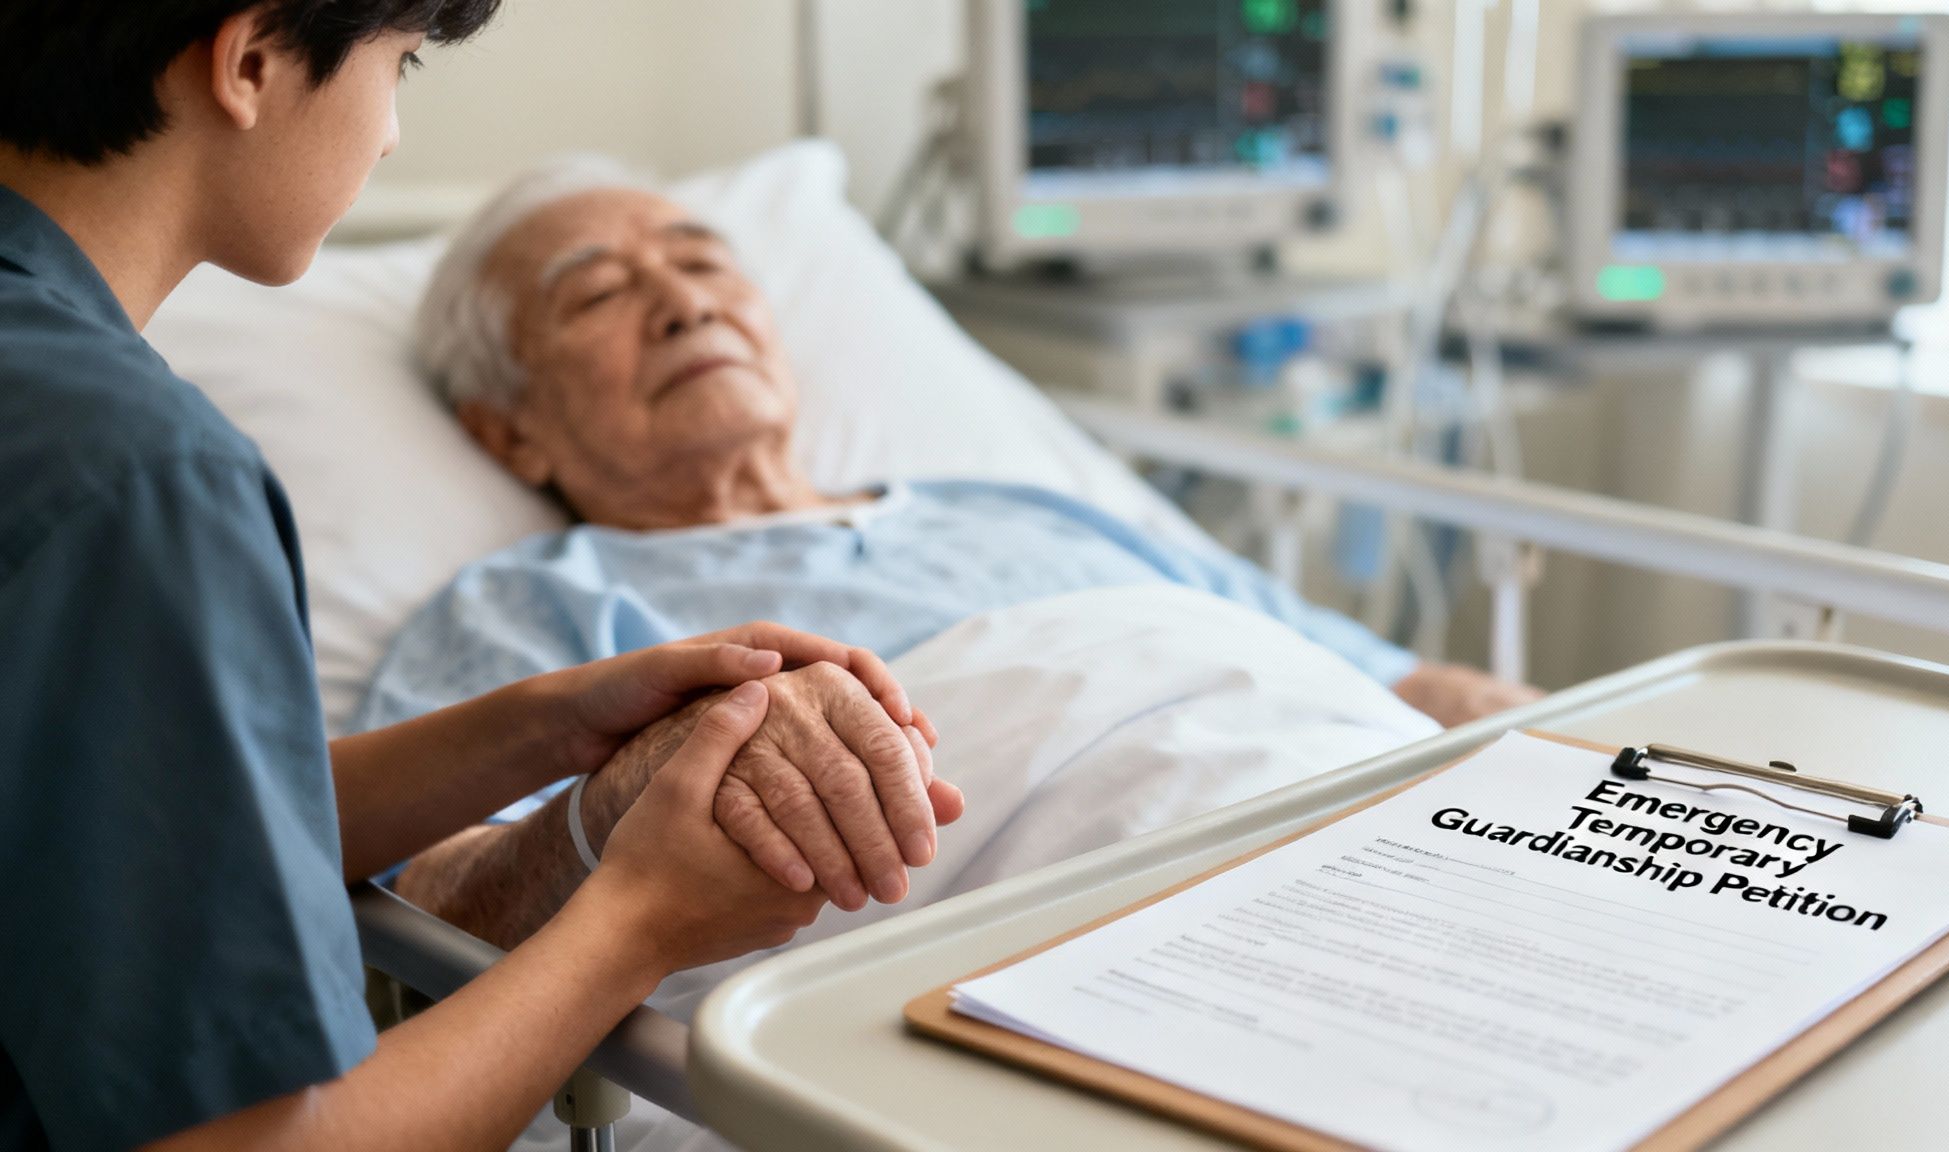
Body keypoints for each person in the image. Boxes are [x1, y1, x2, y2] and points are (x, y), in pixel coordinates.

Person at [0, 7, 958, 1150]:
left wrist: (552, 723)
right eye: (399, 62)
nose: (396, 130)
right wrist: (640, 922)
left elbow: (127, 816)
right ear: (250, 61)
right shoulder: (144, 478)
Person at [358, 160, 1542, 946]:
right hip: (1062, 943)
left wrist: (1623, 759)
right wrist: (613, 803)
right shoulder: (532, 609)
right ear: (504, 427)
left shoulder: (1023, 509)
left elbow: (1387, 686)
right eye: (596, 294)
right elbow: (426, 923)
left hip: (1400, 848)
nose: (684, 303)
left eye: (705, 262)